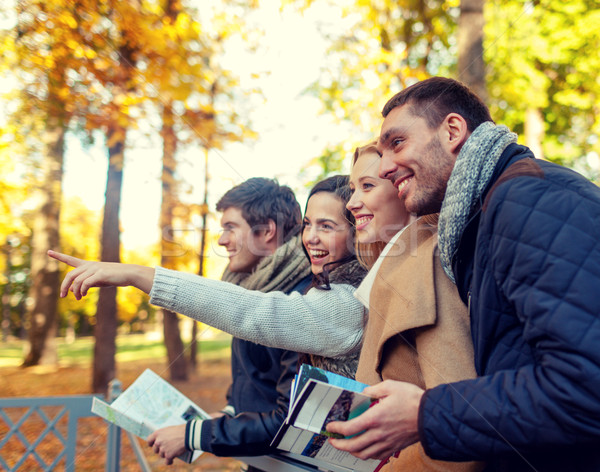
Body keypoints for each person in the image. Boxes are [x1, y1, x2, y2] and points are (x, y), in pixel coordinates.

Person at [326, 76, 600, 471]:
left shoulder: (528, 199)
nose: (386, 167)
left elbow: (585, 384)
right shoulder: (480, 220)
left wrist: (424, 414)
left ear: (453, 130)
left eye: (397, 143)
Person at [49, 175, 368, 462]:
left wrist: (136, 274)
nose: (309, 237)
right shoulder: (261, 286)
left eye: (325, 226)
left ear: (267, 231)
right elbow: (252, 387)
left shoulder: (322, 300)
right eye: (307, 225)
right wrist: (219, 418)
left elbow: (254, 317)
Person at [348, 142, 482, 472]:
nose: (351, 203)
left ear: (404, 187)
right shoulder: (395, 267)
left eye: (367, 186)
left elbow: (459, 426)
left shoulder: (426, 262)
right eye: (352, 189)